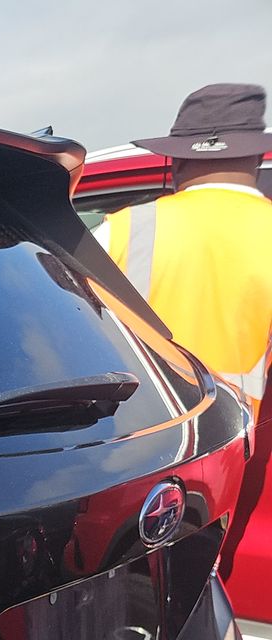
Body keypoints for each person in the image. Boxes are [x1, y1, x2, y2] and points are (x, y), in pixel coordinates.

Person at [96, 83, 272, 408]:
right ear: (257, 156)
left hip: (148, 440)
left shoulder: (121, 230)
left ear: (175, 160)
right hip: (243, 444)